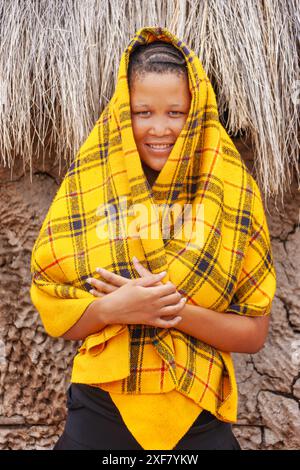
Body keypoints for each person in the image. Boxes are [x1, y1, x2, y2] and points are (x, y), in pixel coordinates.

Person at [30, 26, 276, 451]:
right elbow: (55, 312)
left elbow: (253, 334)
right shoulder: (90, 183)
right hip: (100, 411)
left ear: (196, 112)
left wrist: (164, 309)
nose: (159, 128)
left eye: (175, 113)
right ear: (124, 112)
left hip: (198, 417)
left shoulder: (232, 189)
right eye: (143, 112)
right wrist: (114, 308)